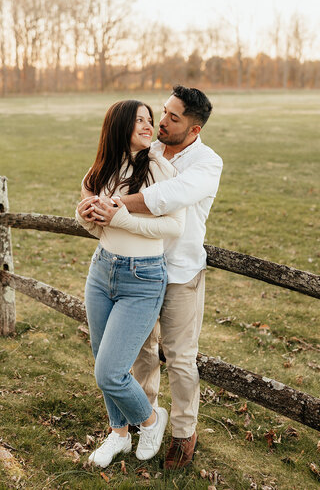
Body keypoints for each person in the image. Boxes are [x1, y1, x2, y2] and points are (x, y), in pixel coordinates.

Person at [89, 86, 223, 469]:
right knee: (141, 354)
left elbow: (168, 197)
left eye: (173, 117)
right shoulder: (149, 149)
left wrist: (111, 204)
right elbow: (107, 172)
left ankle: (183, 433)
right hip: (137, 270)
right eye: (163, 112)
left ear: (194, 129)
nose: (161, 121)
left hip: (179, 272)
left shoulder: (207, 163)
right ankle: (141, 421)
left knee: (180, 358)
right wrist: (93, 205)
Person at [75, 100, 185, 469]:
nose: (147, 125)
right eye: (138, 119)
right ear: (118, 125)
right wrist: (86, 216)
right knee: (101, 360)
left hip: (143, 277)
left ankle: (151, 421)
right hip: (102, 271)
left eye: (149, 120)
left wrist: (122, 219)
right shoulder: (99, 170)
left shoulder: (158, 168)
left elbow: (173, 227)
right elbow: (98, 228)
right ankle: (118, 435)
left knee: (109, 371)